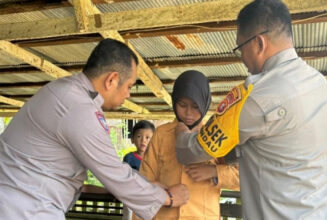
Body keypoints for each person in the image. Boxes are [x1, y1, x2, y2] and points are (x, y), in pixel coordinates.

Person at [174, 0, 327, 219]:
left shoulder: (255, 97)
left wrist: (180, 133)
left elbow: (190, 151)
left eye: (240, 48)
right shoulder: (319, 83)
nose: (241, 57)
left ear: (259, 43)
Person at [0, 39, 189, 220]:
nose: (128, 94)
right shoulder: (79, 108)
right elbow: (114, 173)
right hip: (23, 208)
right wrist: (168, 198)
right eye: (129, 86)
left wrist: (147, 185)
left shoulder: (65, 90)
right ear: (112, 80)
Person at [137, 70, 239, 220]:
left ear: (204, 103)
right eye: (182, 105)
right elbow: (145, 181)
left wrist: (214, 172)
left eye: (195, 106)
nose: (188, 113)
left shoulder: (216, 134)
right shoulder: (161, 134)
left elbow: (243, 177)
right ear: (174, 102)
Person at [122, 120, 155, 220]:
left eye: (147, 137)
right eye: (139, 136)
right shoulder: (129, 158)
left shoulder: (155, 160)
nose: (143, 140)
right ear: (132, 139)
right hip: (131, 196)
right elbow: (123, 177)